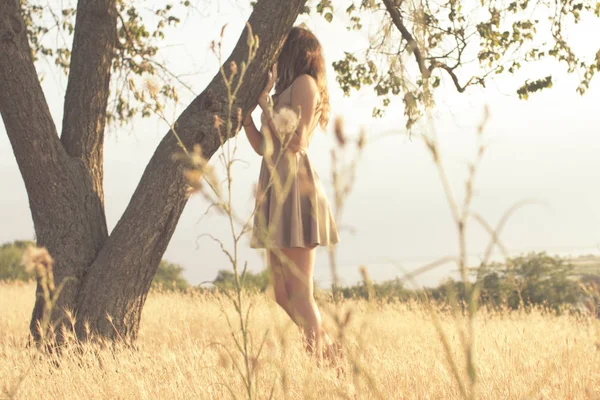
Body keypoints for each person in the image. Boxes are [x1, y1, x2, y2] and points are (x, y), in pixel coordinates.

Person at [242, 26, 339, 360]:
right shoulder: (286, 87)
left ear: (297, 51)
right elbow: (263, 148)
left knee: (300, 292)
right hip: (274, 188)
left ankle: (322, 360)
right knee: (282, 294)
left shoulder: (305, 85)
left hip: (296, 190)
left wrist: (266, 104)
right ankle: (328, 351)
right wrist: (247, 118)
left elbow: (297, 142)